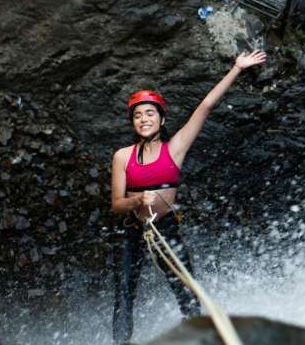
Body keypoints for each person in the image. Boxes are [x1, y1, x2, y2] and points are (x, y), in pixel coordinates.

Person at [109, 50, 268, 344]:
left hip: (165, 230)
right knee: (123, 292)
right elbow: (117, 204)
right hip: (134, 231)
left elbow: (205, 106)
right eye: (138, 115)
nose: (144, 119)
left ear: (161, 118)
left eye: (149, 113)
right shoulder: (122, 157)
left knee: (186, 289)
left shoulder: (175, 149)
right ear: (132, 122)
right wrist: (136, 201)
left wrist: (236, 68)